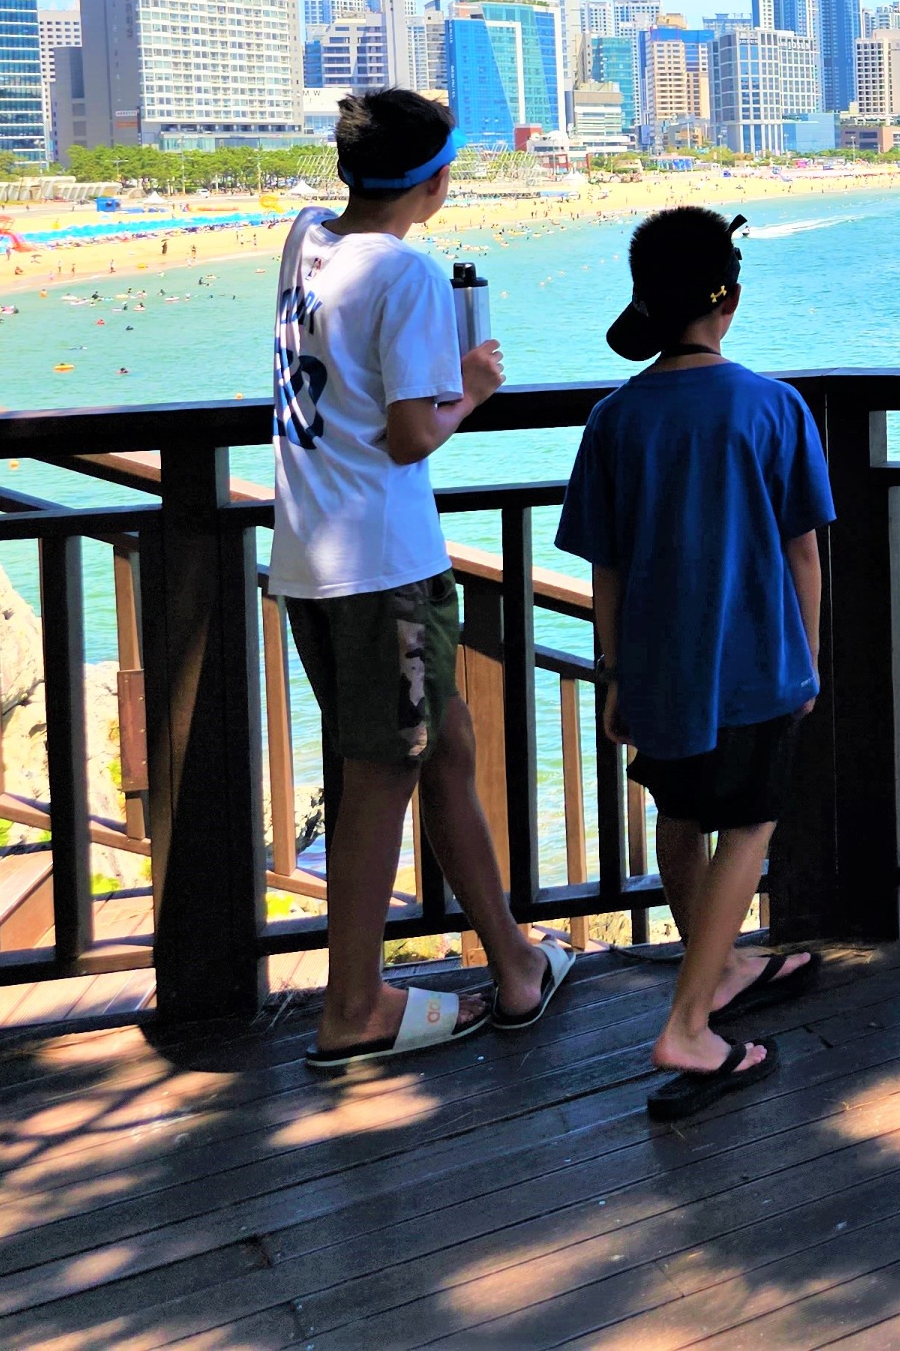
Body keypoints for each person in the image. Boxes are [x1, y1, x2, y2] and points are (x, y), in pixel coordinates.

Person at [272, 89, 572, 1074]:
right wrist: (472, 389)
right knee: (379, 786)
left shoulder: (307, 239)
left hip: (312, 557)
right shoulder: (403, 272)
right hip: (384, 572)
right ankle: (351, 1006)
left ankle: (518, 963)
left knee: (443, 753)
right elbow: (409, 435)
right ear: (435, 182)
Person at [558, 207, 833, 1121]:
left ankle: (714, 969)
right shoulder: (774, 407)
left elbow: (607, 564)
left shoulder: (615, 418)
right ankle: (687, 1021)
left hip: (657, 666)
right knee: (751, 826)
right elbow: (802, 553)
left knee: (681, 816)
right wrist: (810, 658)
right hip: (755, 662)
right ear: (732, 302)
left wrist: (611, 670)